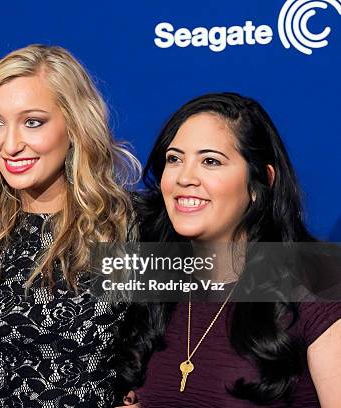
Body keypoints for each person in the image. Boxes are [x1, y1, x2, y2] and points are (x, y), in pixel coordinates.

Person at [115, 93, 341, 407]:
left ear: (259, 183)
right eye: (174, 159)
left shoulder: (322, 287)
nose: (184, 178)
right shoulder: (151, 285)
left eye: (210, 161)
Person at [0, 44, 141, 407]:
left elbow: (264, 282)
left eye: (33, 122)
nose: (10, 145)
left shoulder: (121, 226)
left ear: (74, 125)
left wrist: (155, 395)